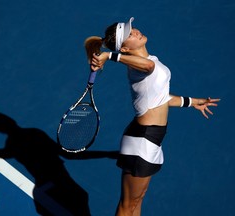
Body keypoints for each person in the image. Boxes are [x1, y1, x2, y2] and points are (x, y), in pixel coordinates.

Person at [84, 17, 220, 216]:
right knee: (127, 205)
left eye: (133, 29)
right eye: (130, 34)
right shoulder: (142, 66)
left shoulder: (150, 61)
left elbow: (160, 98)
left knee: (137, 201)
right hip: (142, 140)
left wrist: (191, 102)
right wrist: (109, 56)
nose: (136, 32)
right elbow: (147, 67)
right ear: (125, 49)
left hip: (152, 139)